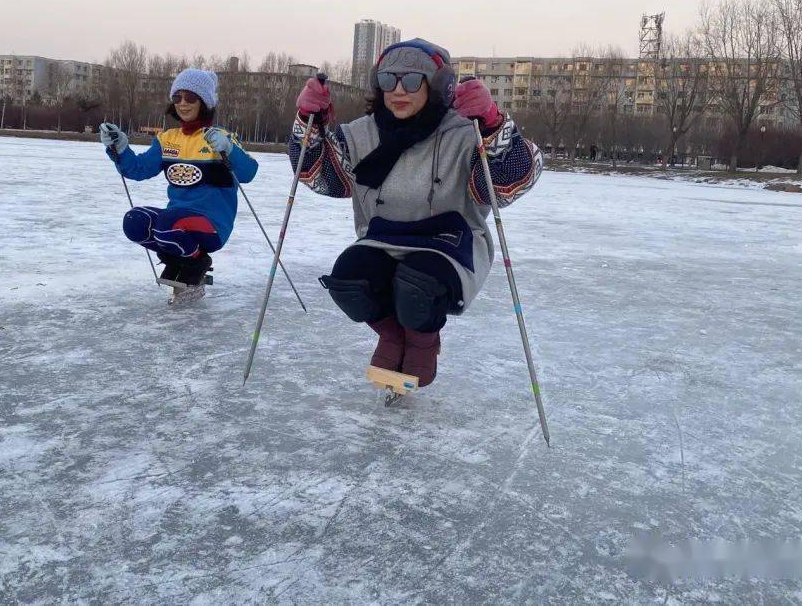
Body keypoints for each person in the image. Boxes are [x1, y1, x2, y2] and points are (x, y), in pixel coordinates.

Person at [289, 39, 542, 387]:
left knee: (417, 288)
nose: (398, 91)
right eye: (389, 80)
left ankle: (422, 342)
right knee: (348, 282)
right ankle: (392, 335)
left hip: (448, 241)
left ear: (437, 85)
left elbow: (511, 181)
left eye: (411, 81)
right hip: (382, 237)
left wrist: (493, 124)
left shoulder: (465, 132)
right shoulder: (362, 134)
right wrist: (308, 122)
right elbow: (321, 177)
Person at [99, 68, 258, 295]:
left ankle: (197, 261)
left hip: (211, 224)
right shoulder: (168, 139)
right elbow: (138, 169)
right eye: (177, 97)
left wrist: (229, 150)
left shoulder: (219, 137)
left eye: (190, 97)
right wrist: (119, 148)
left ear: (204, 101)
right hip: (175, 223)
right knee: (135, 221)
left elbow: (248, 173)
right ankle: (177, 258)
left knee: (167, 223)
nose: (183, 103)